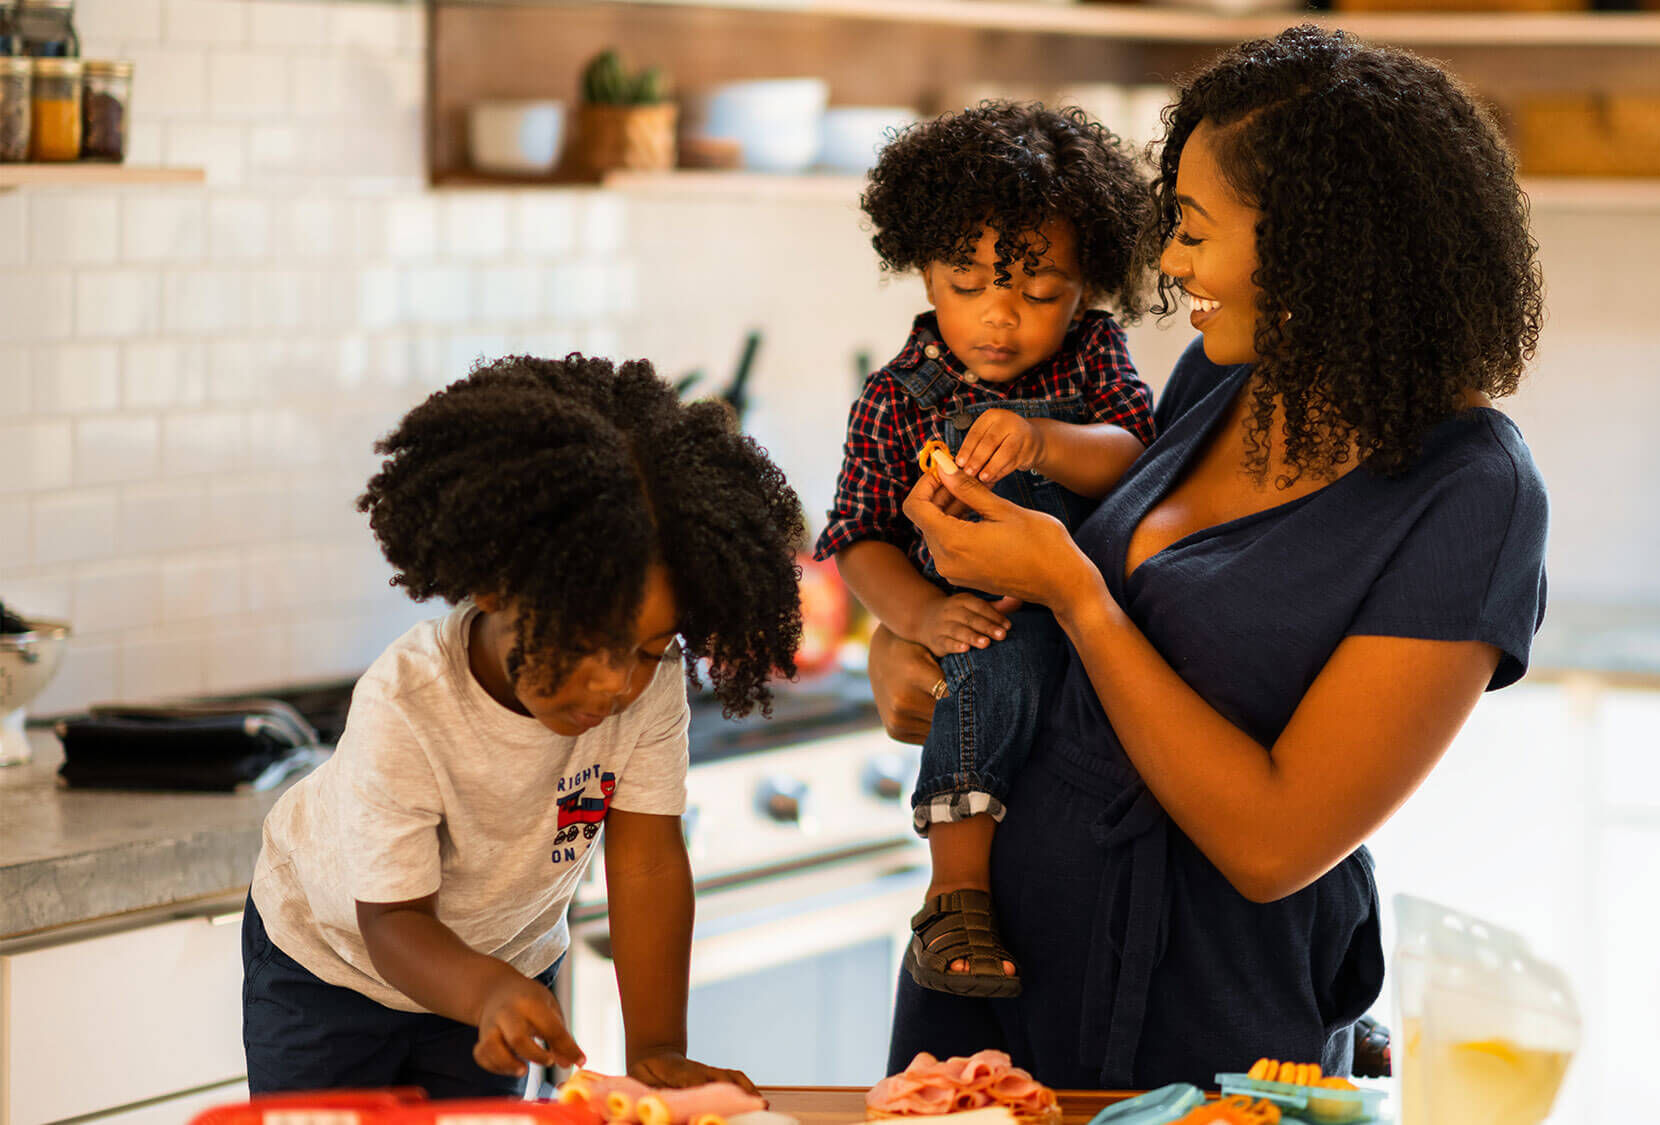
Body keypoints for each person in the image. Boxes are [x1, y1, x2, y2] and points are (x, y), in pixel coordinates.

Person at [870, 26, 1550, 1088]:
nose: (1171, 263)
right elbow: (1052, 626)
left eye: (1190, 230)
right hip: (997, 969)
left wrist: (1076, 596)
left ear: (1321, 245)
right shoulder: (1224, 381)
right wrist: (914, 632)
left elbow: (1273, 841)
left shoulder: (1472, 496)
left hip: (1209, 1017)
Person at [242, 354, 804, 1095]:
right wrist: (485, 992)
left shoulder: (650, 691)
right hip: (332, 969)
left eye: (646, 649)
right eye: (590, 640)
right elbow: (390, 922)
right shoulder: (408, 703)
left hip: (502, 969)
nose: (616, 681)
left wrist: (658, 1047)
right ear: (496, 584)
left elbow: (647, 861)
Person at [814, 102, 1157, 998]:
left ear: (1086, 287)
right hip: (982, 620)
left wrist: (1044, 443)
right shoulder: (896, 399)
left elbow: (1133, 454)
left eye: (1039, 293)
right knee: (987, 671)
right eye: (967, 286)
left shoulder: (1092, 358)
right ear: (922, 270)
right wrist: (921, 614)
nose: (1000, 318)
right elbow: (858, 538)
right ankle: (954, 893)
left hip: (1087, 631)